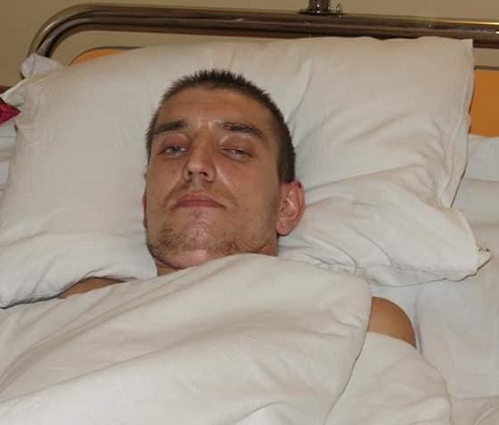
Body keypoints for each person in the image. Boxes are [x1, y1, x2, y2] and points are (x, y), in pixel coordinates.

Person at [61, 69, 416, 347]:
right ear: (145, 202)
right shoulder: (85, 309)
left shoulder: (359, 326)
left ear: (286, 206)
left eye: (236, 150)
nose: (195, 164)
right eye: (173, 148)